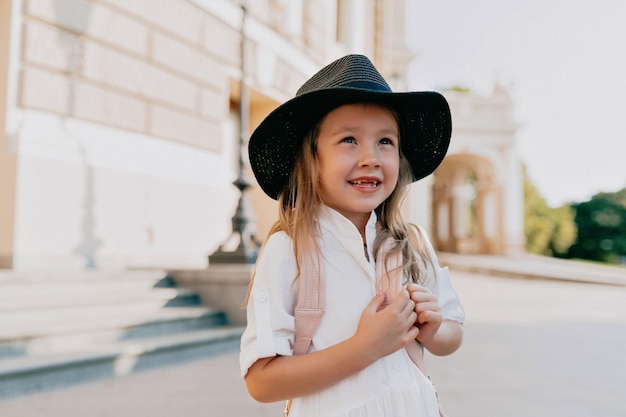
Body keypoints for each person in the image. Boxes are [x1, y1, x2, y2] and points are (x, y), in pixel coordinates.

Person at [239, 54, 465, 417]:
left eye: (385, 142)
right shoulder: (289, 249)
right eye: (348, 139)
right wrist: (366, 346)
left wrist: (433, 328)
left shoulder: (412, 244)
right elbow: (261, 382)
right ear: (310, 160)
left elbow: (453, 335)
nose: (370, 157)